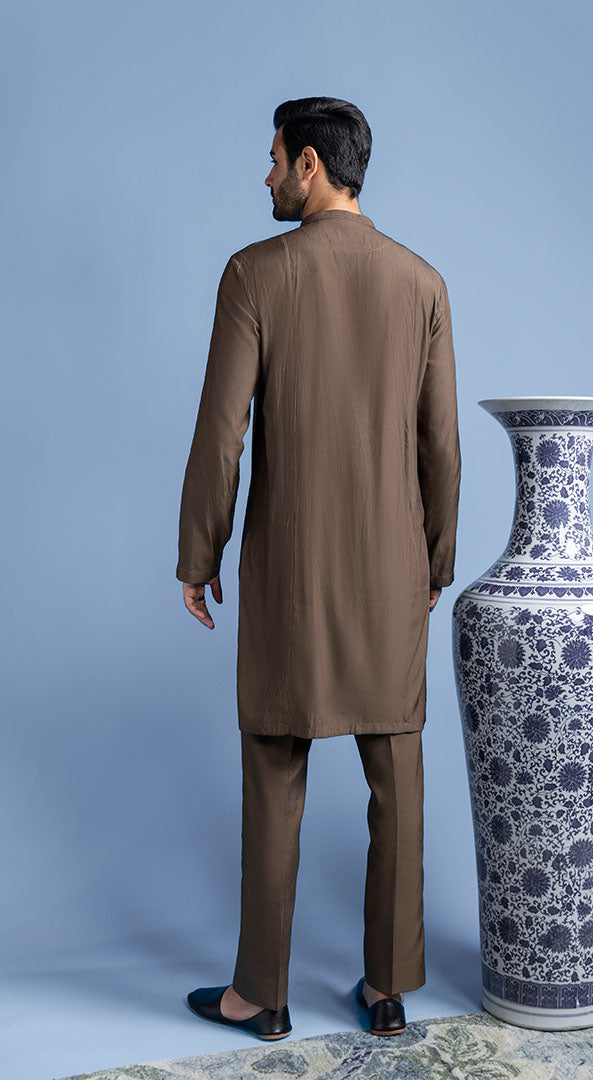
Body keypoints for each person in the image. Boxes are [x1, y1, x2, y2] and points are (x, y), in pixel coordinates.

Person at [177, 97, 461, 1040]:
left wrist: (199, 553)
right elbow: (441, 446)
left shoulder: (254, 273)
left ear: (309, 164)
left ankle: (259, 997)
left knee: (274, 767)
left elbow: (222, 433)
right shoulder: (422, 283)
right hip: (392, 571)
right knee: (398, 775)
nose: (264, 176)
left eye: (272, 159)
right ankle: (388, 991)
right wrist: (436, 558)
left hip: (291, 575)